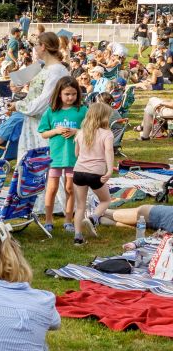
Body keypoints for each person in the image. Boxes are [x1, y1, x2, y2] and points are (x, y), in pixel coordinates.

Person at [38, 76, 85, 234]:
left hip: (74, 157)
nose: (70, 97)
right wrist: (57, 131)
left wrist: (76, 131)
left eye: (73, 94)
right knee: (51, 189)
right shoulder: (51, 112)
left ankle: (68, 220)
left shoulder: (82, 111)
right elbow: (43, 133)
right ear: (59, 94)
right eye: (67, 94)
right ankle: (48, 219)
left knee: (70, 188)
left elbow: (89, 131)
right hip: (55, 158)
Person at [16, 32, 69, 158]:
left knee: (43, 164)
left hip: (44, 124)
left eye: (36, 45)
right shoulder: (43, 67)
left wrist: (18, 105)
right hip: (35, 121)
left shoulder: (56, 70)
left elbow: (46, 100)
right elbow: (16, 82)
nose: (34, 49)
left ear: (43, 46)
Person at [70, 101, 114, 246]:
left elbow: (76, 153)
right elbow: (108, 151)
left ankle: (77, 237)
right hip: (96, 173)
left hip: (79, 172)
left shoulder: (80, 133)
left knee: (80, 206)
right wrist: (109, 169)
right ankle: (94, 218)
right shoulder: (107, 134)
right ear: (104, 117)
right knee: (105, 200)